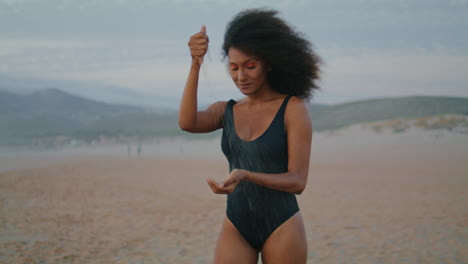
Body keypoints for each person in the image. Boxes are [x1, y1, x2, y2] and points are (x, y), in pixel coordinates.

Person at [179, 8, 321, 264]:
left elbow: (298, 181)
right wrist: (195, 63)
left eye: (250, 66)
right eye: (233, 68)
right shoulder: (227, 111)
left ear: (267, 63)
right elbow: (187, 122)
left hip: (282, 225)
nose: (240, 76)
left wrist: (245, 174)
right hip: (236, 225)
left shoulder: (293, 108)